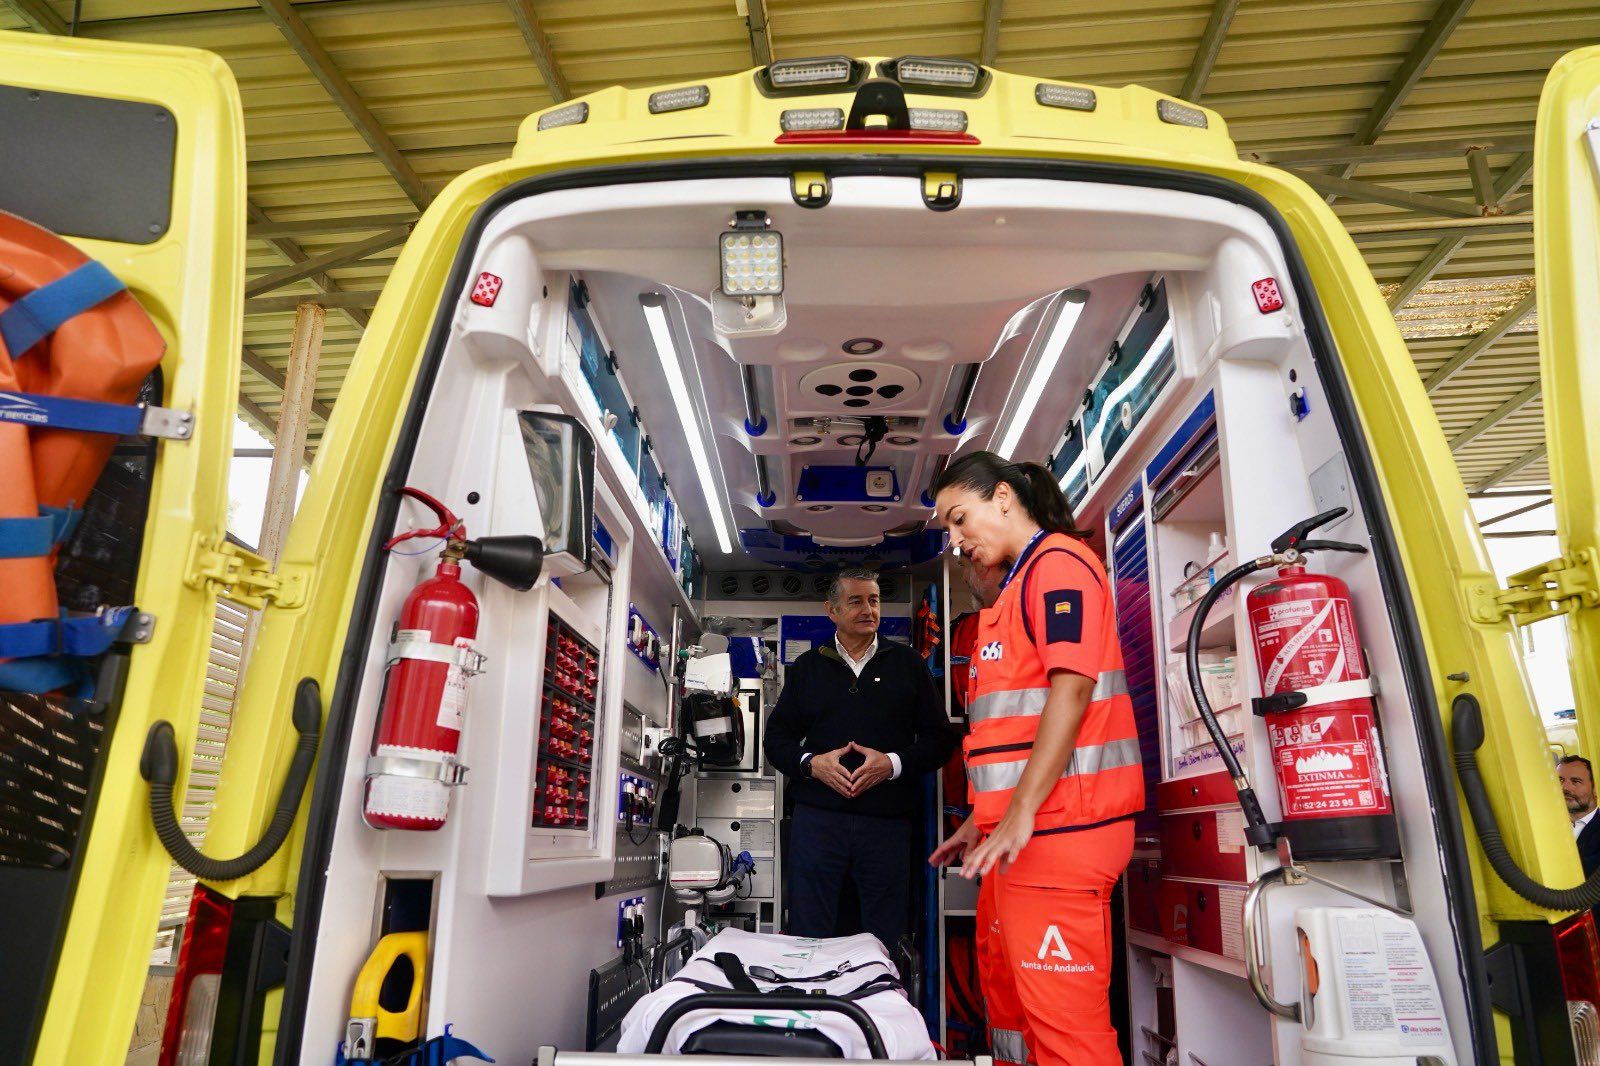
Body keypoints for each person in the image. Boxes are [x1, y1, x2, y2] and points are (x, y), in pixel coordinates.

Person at [928, 451, 1143, 1066]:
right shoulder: (1019, 588)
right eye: (947, 529)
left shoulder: (1059, 566)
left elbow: (1072, 690)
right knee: (1015, 1012)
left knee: (1066, 1034)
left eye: (959, 518)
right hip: (1024, 837)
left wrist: (1019, 813)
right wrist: (982, 821)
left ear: (1002, 497)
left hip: (1060, 834)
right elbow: (1014, 735)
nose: (956, 539)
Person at [765, 568, 958, 952]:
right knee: (808, 933)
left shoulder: (908, 664)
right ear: (832, 610)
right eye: (855, 601)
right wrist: (811, 764)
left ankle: (879, 1012)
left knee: (885, 938)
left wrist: (892, 763)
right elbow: (776, 739)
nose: (868, 609)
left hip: (887, 828)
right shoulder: (807, 669)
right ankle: (811, 1010)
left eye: (874, 600)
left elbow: (940, 740)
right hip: (818, 825)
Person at [1560, 755, 1600, 876]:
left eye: (1575, 781)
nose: (1564, 787)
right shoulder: (1547, 827)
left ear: (1595, 789)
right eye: (1560, 780)